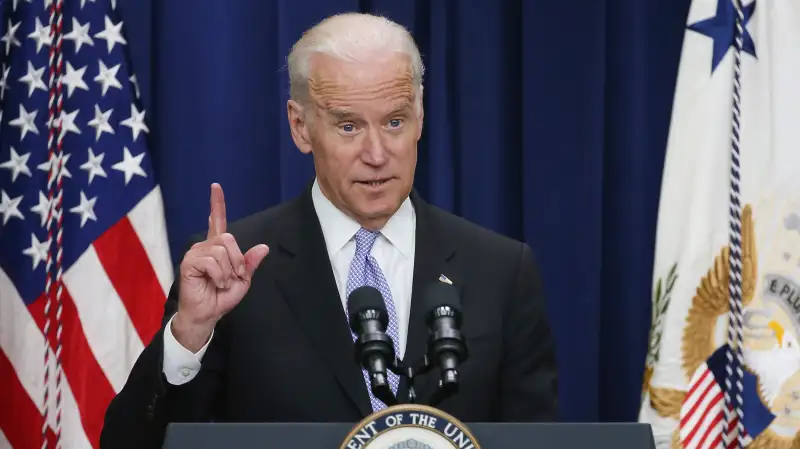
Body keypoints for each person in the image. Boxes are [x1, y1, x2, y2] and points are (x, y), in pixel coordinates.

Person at [99, 12, 558, 449]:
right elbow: (132, 445)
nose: (377, 153)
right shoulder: (235, 272)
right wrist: (191, 334)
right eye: (348, 125)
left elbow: (538, 442)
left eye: (394, 121)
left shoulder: (500, 271)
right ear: (301, 127)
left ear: (419, 117)